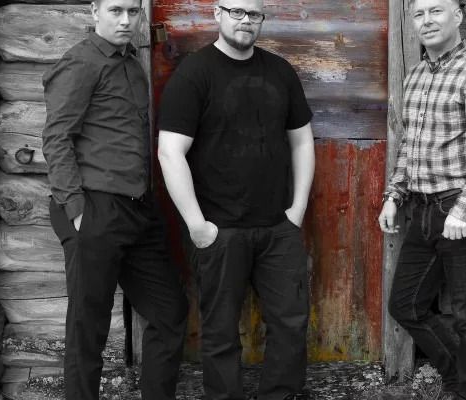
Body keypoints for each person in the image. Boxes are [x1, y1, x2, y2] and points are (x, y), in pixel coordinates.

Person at [156, 0, 315, 398]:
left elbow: (302, 141)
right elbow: (170, 152)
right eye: (237, 12)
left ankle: (280, 394)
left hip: (278, 227)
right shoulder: (194, 73)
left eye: (254, 14)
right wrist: (197, 225)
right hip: (220, 230)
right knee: (221, 332)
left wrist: (296, 210)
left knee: (291, 323)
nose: (246, 21)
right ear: (218, 14)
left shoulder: (279, 71)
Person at [41, 0, 188, 398]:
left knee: (169, 311)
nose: (126, 21)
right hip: (95, 206)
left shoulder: (131, 63)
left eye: (133, 12)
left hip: (137, 209)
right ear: (95, 11)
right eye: (115, 10)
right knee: (88, 328)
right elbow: (56, 138)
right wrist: (76, 211)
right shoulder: (81, 62)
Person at [378, 0, 466, 398]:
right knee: (406, 305)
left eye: (436, 11)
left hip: (462, 210)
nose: (426, 21)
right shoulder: (416, 76)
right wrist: (394, 194)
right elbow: (410, 145)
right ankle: (460, 378)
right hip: (421, 209)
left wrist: (464, 210)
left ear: (457, 16)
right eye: (419, 14)